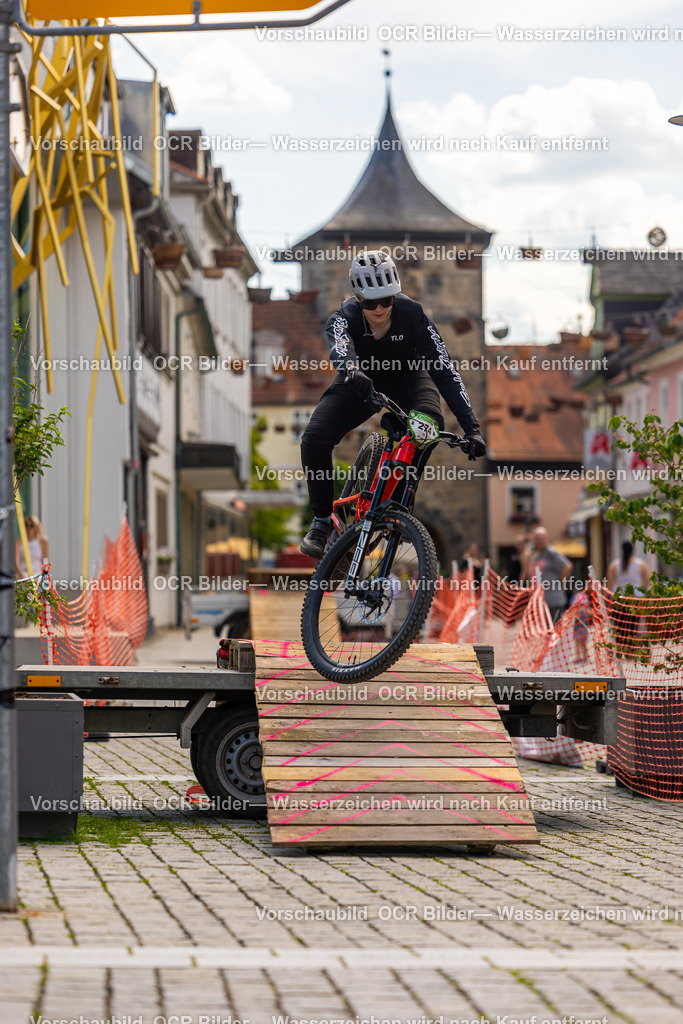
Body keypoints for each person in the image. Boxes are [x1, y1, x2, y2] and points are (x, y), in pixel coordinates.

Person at [300, 250, 486, 557]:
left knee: (427, 424)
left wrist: (472, 427)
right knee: (314, 438)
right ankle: (321, 522)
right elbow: (340, 346)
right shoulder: (343, 316)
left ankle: (398, 504)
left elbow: (443, 368)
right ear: (358, 299)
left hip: (409, 379)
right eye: (371, 302)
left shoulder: (412, 314)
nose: (379, 308)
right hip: (361, 381)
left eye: (386, 300)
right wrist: (351, 370)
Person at [607, 540, 651, 658]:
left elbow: (609, 585)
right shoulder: (641, 564)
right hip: (635, 599)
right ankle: (631, 649)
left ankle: (621, 649)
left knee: (619, 626)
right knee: (633, 626)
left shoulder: (614, 565)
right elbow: (647, 582)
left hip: (618, 600)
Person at [525, 526, 572, 624]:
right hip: (540, 601)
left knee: (553, 631)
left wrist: (560, 583)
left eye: (541, 538)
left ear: (547, 539)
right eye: (537, 538)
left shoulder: (551, 553)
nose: (539, 541)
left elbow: (567, 566)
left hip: (553, 601)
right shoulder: (535, 555)